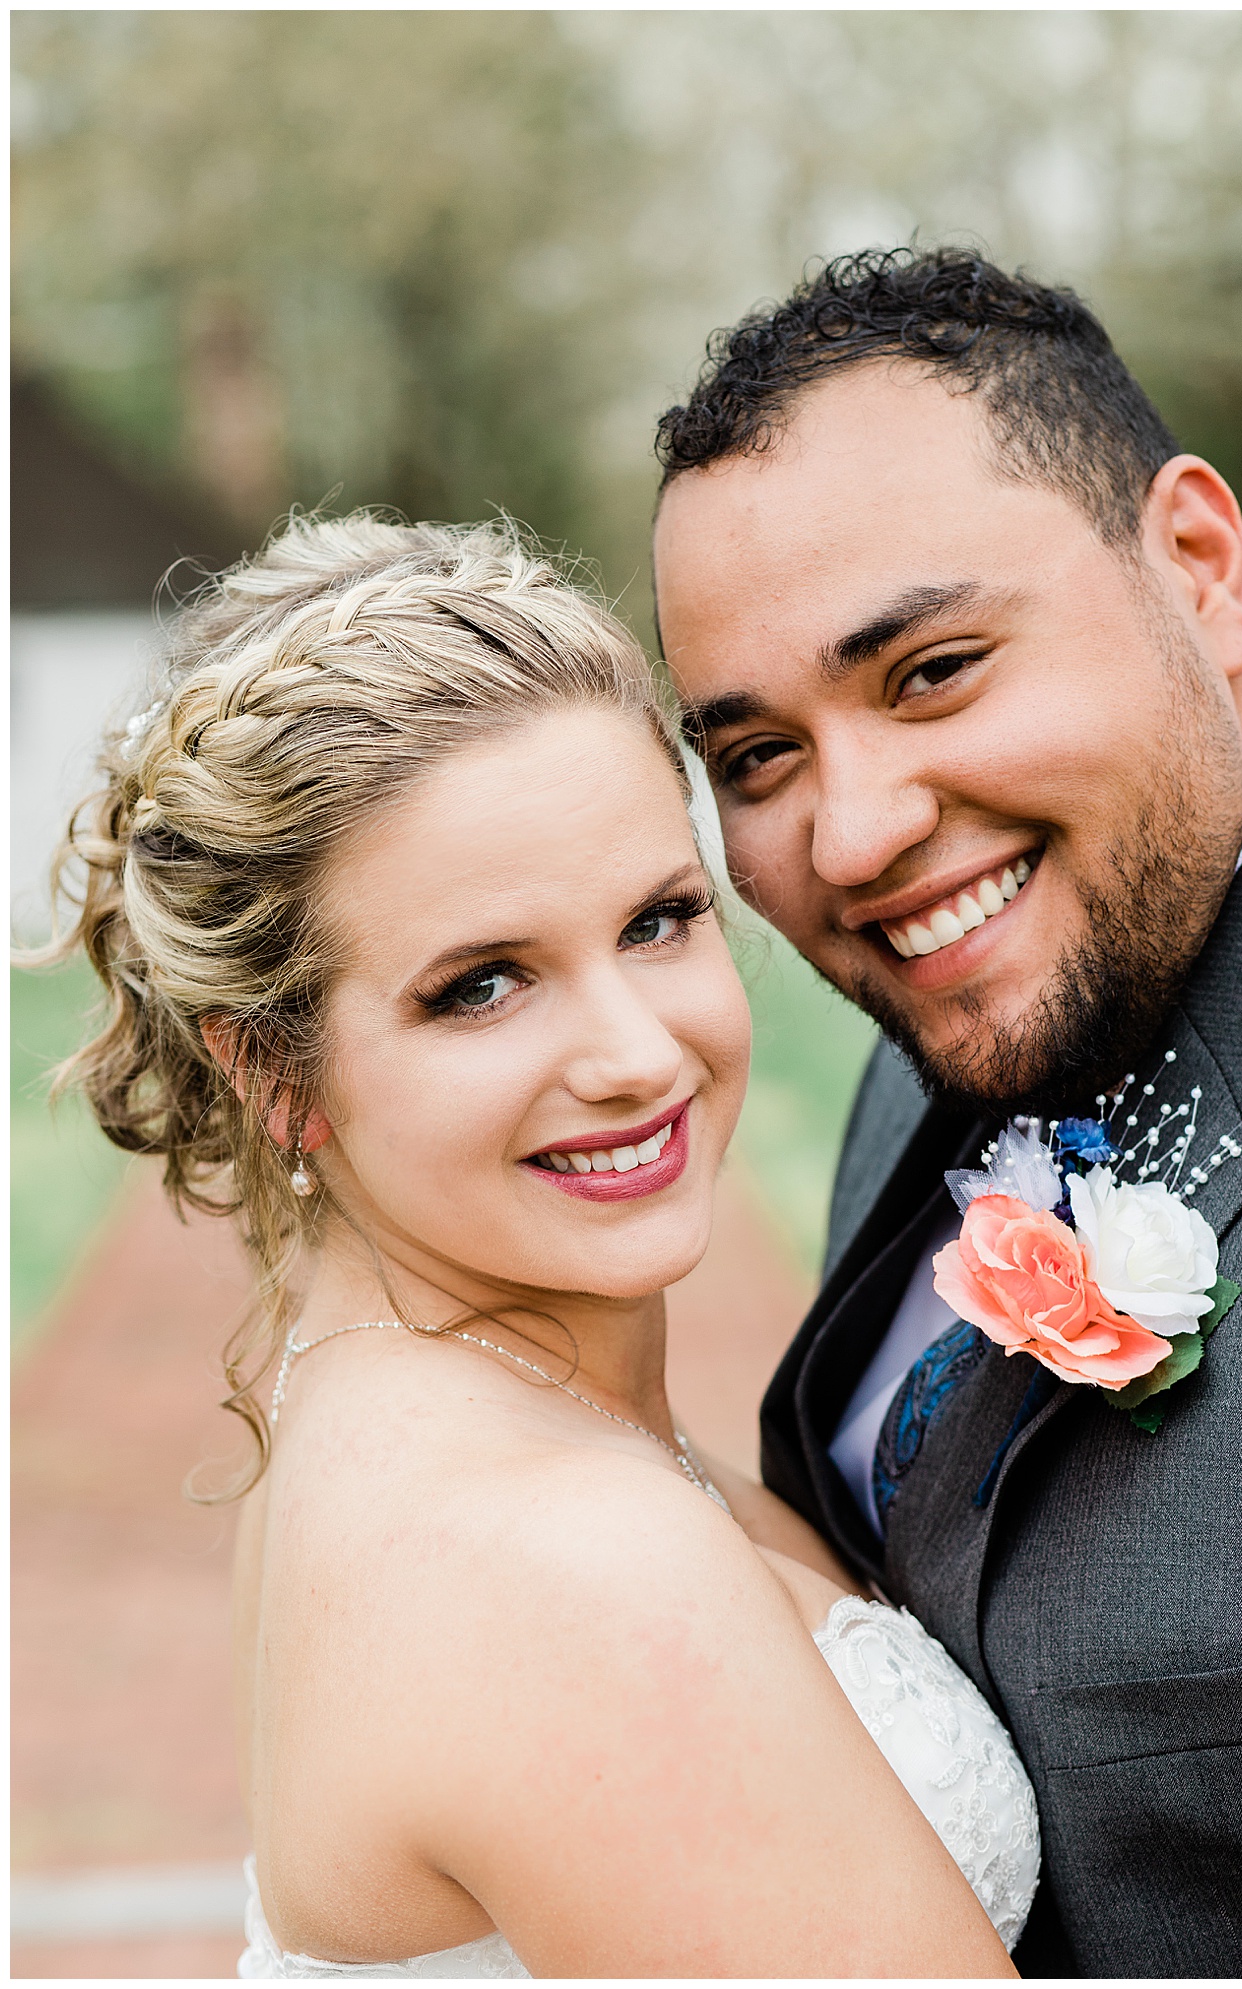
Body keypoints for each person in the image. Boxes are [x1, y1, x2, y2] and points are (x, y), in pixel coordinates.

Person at [46, 513, 1038, 1978]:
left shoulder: (400, 1391)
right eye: (482, 985)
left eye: (657, 920)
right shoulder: (553, 1556)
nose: (637, 1054)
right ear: (270, 1068)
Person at [652, 247, 1242, 1979]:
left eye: (934, 668)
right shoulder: (975, 993)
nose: (855, 835)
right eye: (756, 758)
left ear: (1199, 565)